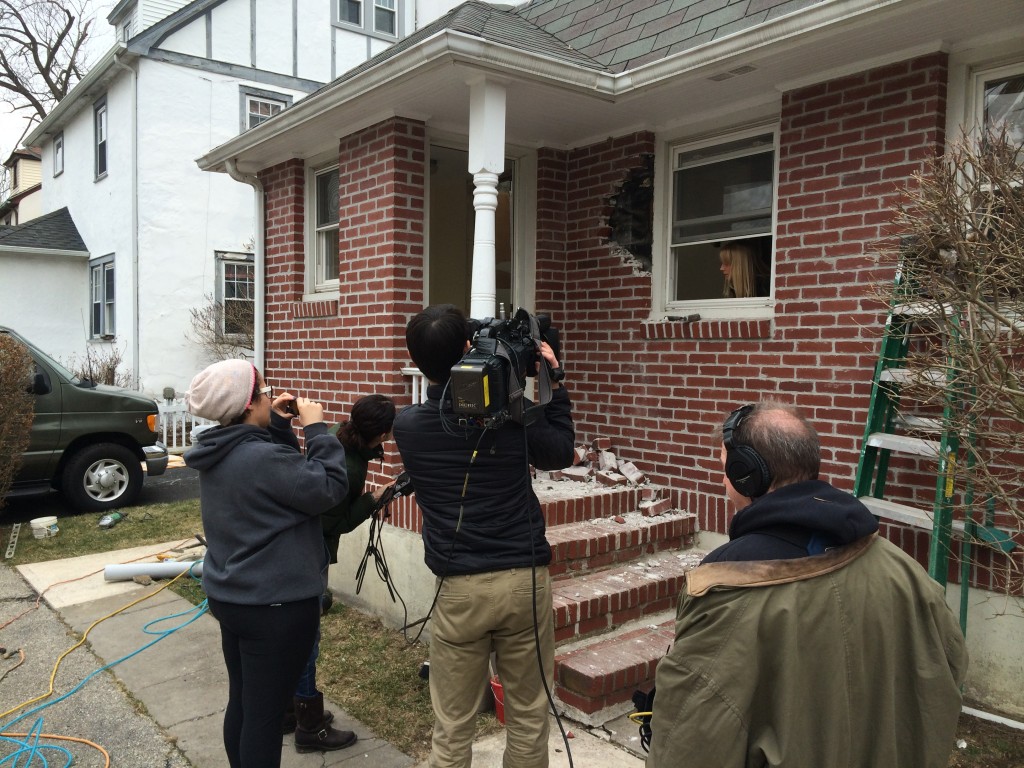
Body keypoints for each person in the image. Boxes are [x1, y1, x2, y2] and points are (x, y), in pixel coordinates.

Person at [646, 401, 968, 768]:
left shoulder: (728, 593)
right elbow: (949, 668)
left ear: (748, 474)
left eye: (725, 470)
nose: (722, 482)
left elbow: (689, 743)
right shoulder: (905, 570)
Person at [393, 304, 575, 768]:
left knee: (452, 728)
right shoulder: (513, 420)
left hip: (461, 592)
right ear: (466, 351)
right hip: (524, 582)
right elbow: (560, 452)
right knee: (529, 718)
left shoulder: (408, 426)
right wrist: (553, 378)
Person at [184, 359, 348, 768]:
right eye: (264, 393)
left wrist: (276, 425)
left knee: (243, 701)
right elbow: (328, 488)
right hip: (274, 607)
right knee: (264, 716)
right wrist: (315, 430)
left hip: (235, 597)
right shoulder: (259, 459)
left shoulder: (222, 449)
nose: (270, 397)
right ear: (246, 405)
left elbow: (282, 481)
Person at [283, 394, 397, 753]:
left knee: (296, 636)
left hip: (300, 548)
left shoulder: (338, 434)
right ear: (380, 434)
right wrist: (371, 499)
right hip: (307, 551)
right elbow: (334, 523)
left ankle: (289, 712)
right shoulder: (346, 467)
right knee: (306, 638)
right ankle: (309, 727)